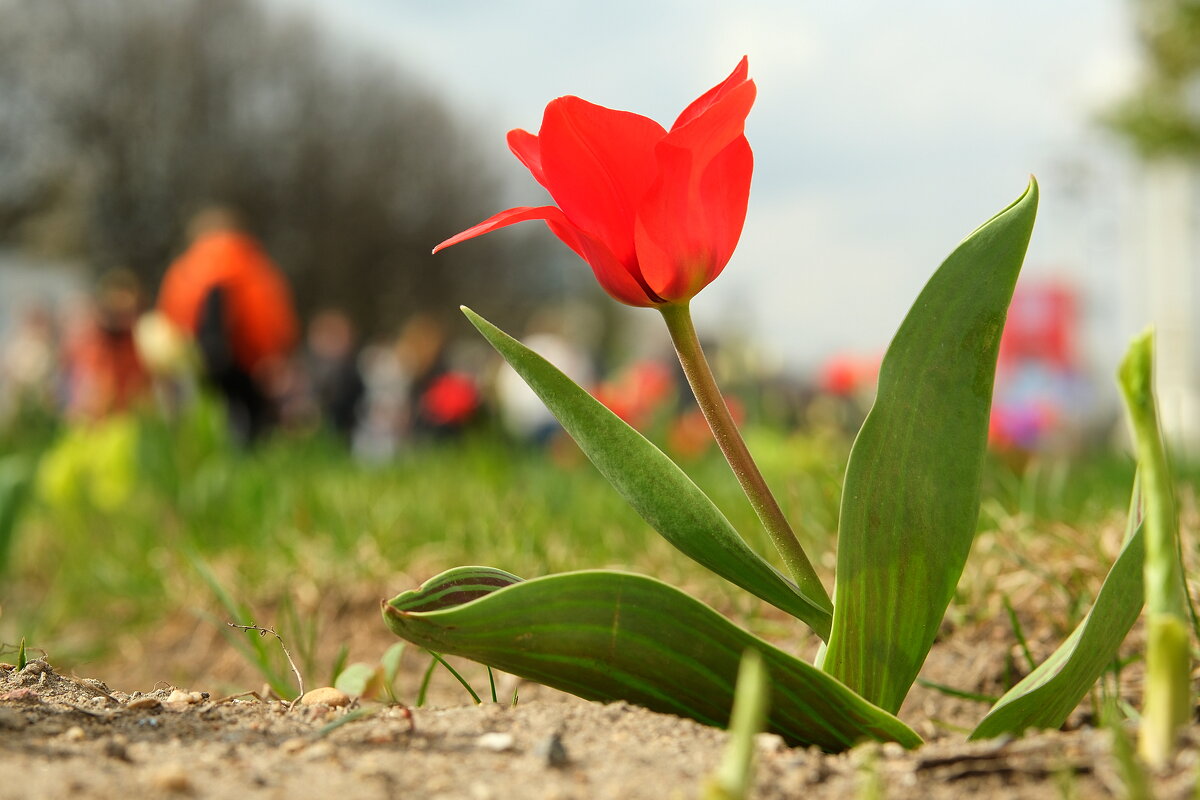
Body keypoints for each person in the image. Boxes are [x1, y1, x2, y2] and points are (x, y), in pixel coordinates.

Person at [157, 207, 298, 445]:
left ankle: (205, 466)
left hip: (197, 360)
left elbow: (169, 319)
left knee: (203, 420)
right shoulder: (257, 267)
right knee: (252, 423)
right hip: (249, 362)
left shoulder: (184, 269)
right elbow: (271, 316)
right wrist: (274, 355)